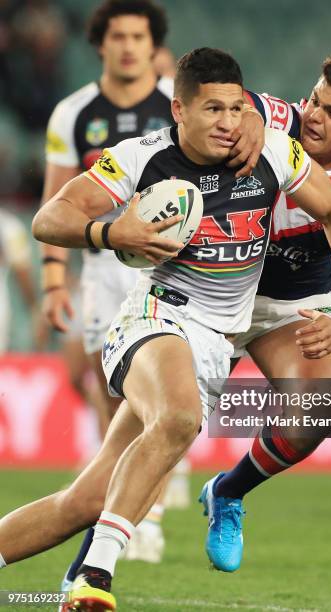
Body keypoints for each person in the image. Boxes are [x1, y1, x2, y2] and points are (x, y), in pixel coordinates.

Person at [0, 47, 331, 611]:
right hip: (156, 320)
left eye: (234, 108)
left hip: (214, 342)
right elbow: (48, 218)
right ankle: (95, 577)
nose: (227, 123)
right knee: (179, 418)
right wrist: (110, 233)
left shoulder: (273, 149)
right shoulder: (139, 159)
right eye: (211, 110)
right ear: (178, 110)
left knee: (87, 497)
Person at [200, 52, 331, 572]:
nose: (313, 115)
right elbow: (240, 108)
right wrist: (241, 124)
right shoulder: (281, 120)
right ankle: (92, 562)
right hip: (212, 288)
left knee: (319, 413)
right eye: (313, 99)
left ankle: (228, 492)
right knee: (165, 424)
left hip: (292, 305)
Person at [40, 0, 177, 570]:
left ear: (153, 45)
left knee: (162, 392)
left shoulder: (180, 104)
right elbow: (57, 199)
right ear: (100, 43)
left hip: (170, 261)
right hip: (101, 263)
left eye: (137, 36)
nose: (127, 46)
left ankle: (151, 514)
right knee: (107, 389)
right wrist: (53, 280)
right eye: (116, 35)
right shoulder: (73, 115)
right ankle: (116, 499)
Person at [0, 208, 39, 352]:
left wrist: (34, 308)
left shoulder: (9, 227)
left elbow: (22, 271)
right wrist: (34, 308)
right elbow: (23, 272)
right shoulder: (9, 226)